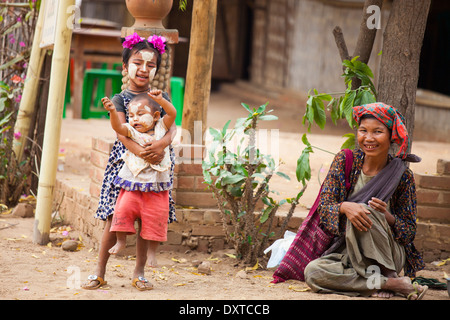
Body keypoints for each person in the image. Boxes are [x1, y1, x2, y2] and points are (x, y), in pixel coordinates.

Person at [303, 102, 428, 300]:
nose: (368, 138)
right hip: (349, 253)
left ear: (391, 136)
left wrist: (386, 216)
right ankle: (391, 283)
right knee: (313, 272)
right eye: (363, 131)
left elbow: (409, 232)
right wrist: (344, 207)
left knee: (367, 209)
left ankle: (384, 276)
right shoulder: (345, 160)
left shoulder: (402, 176)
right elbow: (324, 209)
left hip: (386, 256)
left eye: (377, 132)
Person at [81, 33, 176, 291]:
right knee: (114, 216)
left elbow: (171, 127)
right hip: (125, 164)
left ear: (157, 68)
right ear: (125, 67)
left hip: (157, 165)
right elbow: (122, 133)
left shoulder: (160, 95)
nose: (144, 69)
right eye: (137, 63)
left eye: (151, 64)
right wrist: (143, 151)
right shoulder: (121, 98)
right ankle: (99, 271)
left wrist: (160, 145)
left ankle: (140, 273)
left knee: (147, 220)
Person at [102, 89, 175, 258]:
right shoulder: (132, 131)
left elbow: (172, 113)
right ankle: (121, 240)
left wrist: (162, 101)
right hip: (132, 185)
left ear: (156, 116)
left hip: (156, 187)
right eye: (131, 115)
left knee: (156, 218)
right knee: (123, 210)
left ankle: (152, 252)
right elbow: (118, 127)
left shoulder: (161, 128)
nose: (135, 119)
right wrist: (113, 111)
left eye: (141, 114)